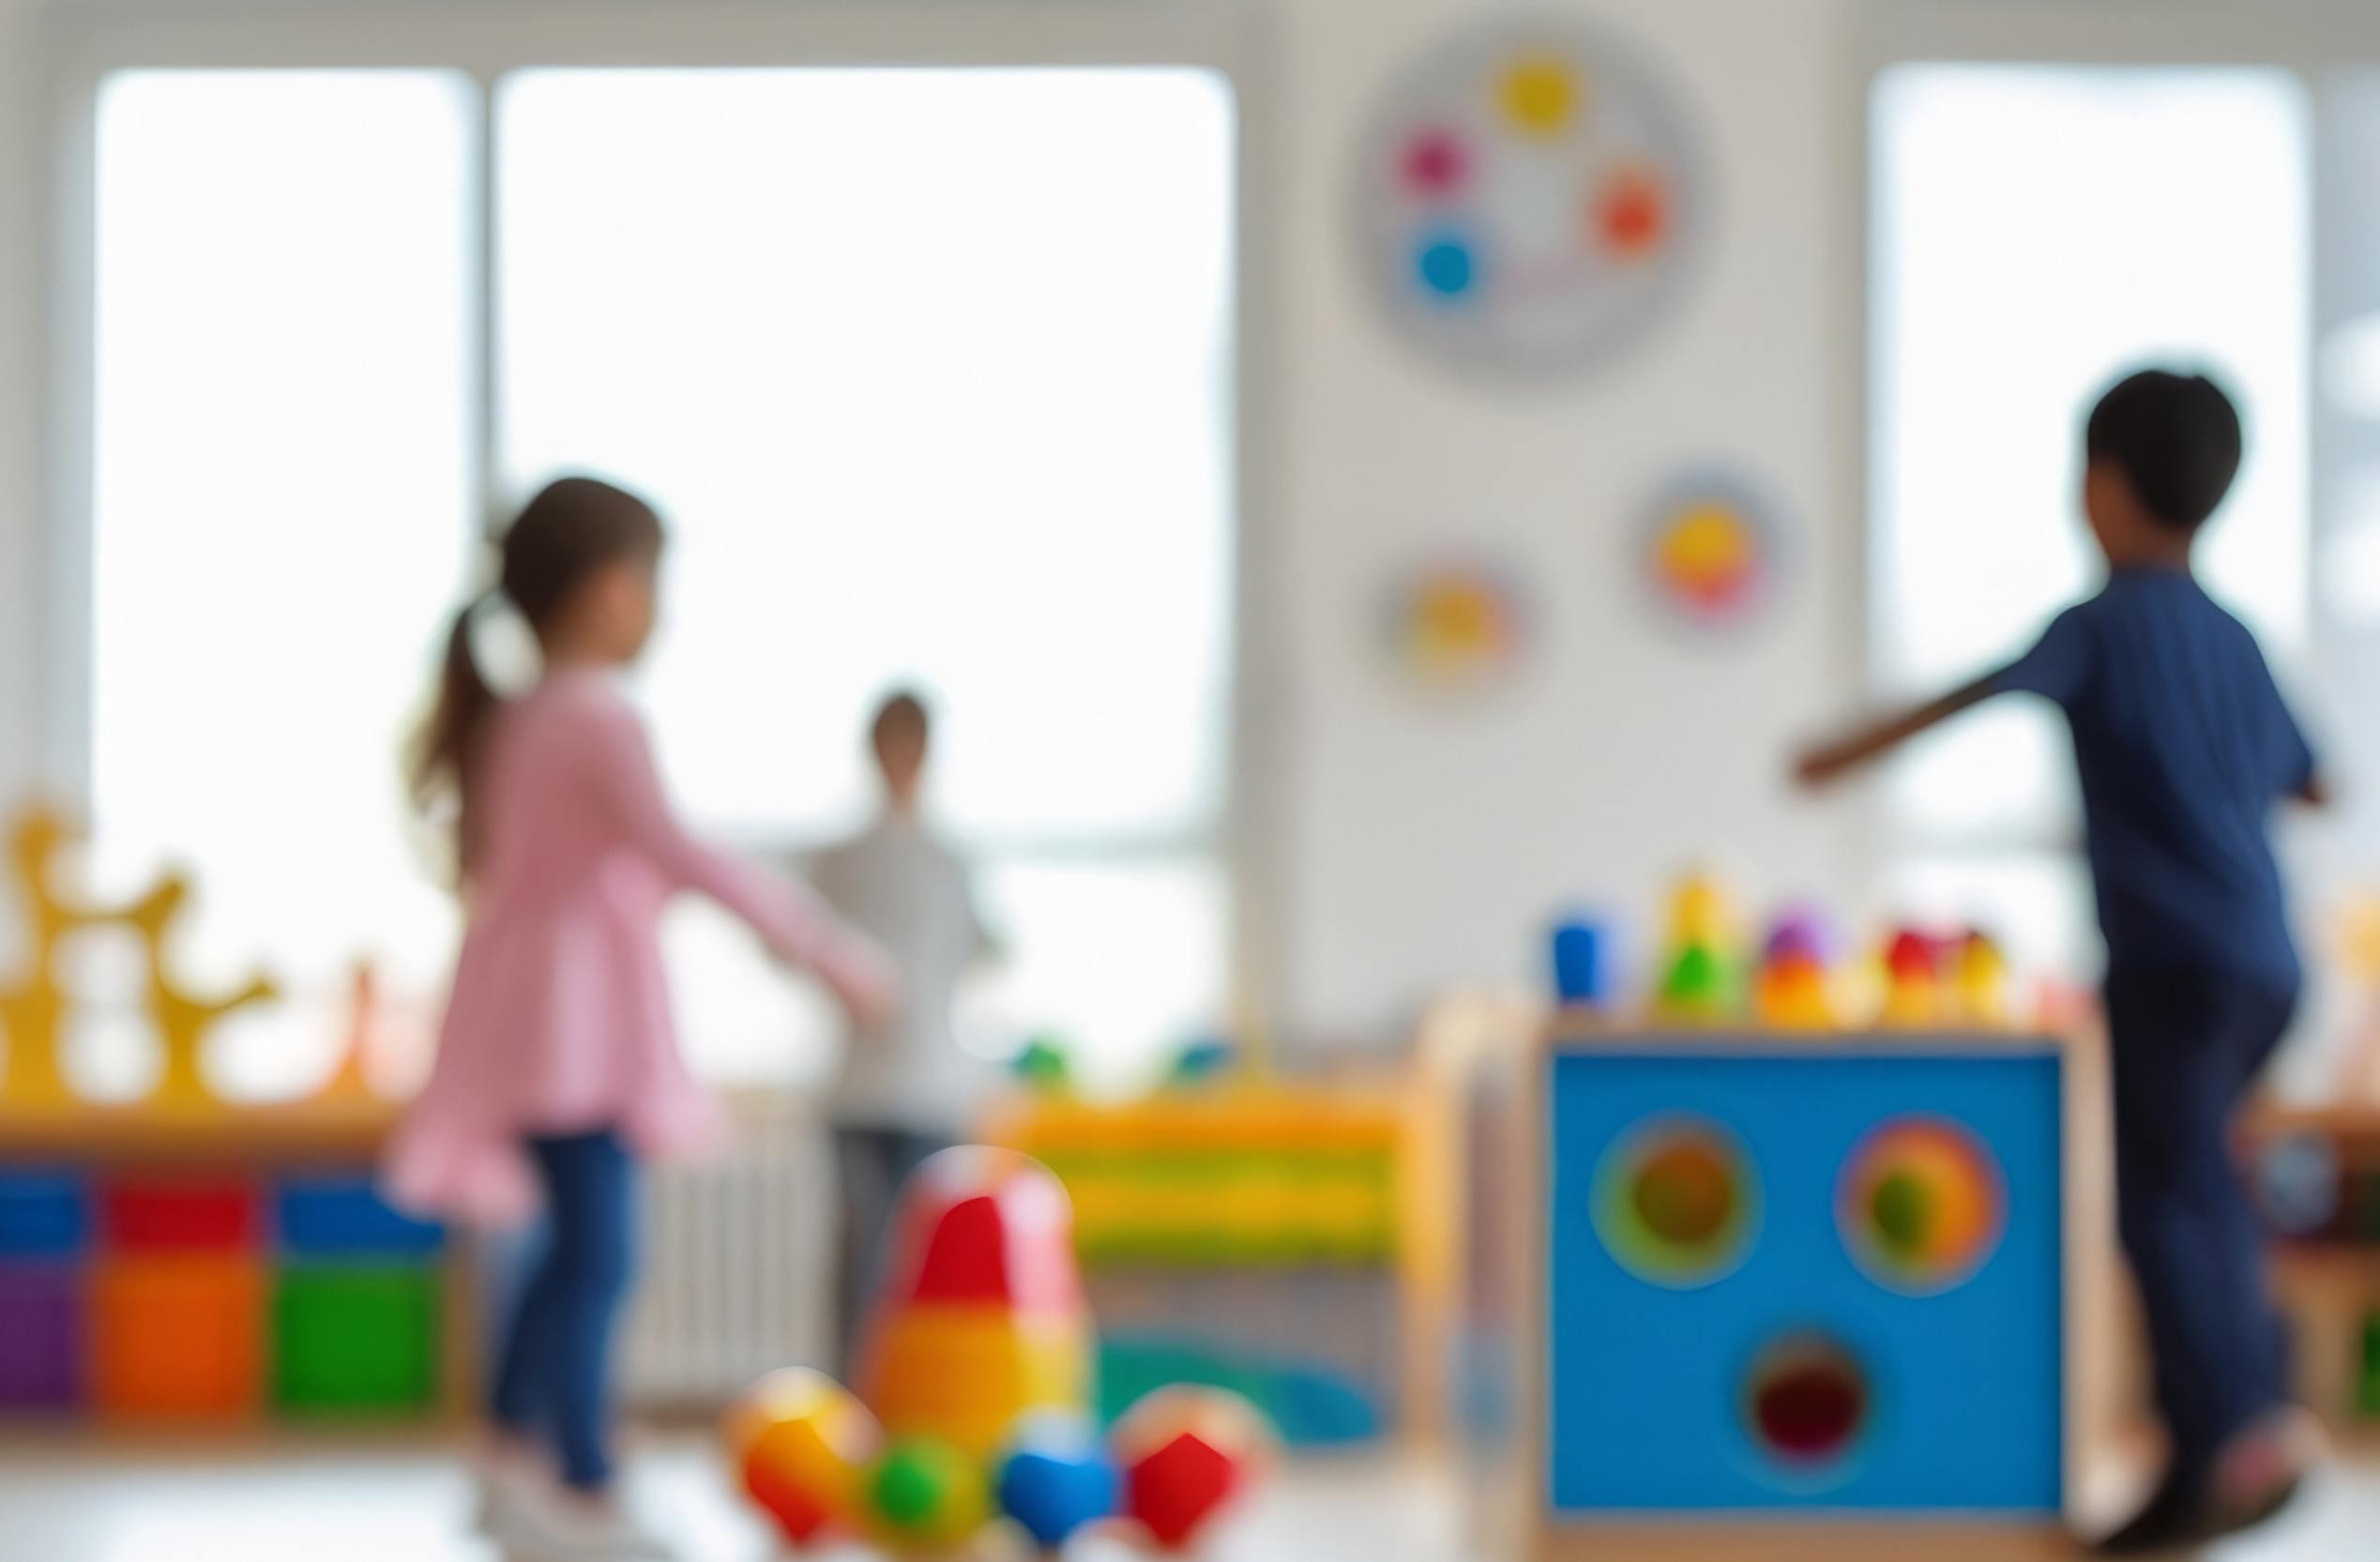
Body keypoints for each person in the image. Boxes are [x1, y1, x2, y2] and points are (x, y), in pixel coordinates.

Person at [1796, 370, 2322, 1554]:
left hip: (2170, 962)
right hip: (2263, 961)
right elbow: (2314, 779)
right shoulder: (2232, 637)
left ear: (2097, 486)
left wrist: (1838, 756)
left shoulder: (2099, 622)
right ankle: (2223, 1444)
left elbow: (1973, 695)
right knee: (2194, 1185)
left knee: (2163, 1203)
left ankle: (2233, 1440)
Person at [387, 477, 892, 1561]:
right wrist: (827, 952)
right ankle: (583, 1484)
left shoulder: (523, 716)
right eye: (656, 584)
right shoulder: (592, 716)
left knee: (569, 1250)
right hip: (569, 1035)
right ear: (612, 592)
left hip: (529, 1021)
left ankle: (510, 1457)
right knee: (598, 1255)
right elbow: (679, 850)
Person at [805, 690, 999, 1371]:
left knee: (927, 1258)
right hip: (858, 1090)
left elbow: (987, 948)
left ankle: (919, 1388)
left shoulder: (950, 860)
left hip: (934, 1089)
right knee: (862, 1249)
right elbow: (798, 942)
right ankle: (853, 1390)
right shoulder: (841, 859)